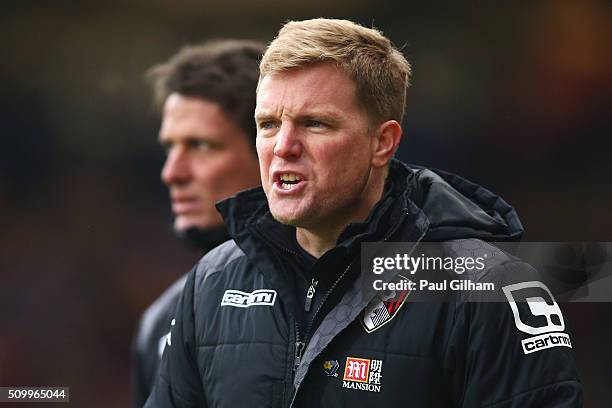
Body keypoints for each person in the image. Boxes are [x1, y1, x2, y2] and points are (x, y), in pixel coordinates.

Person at [145, 19, 582, 407]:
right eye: (268, 124)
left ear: (383, 143)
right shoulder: (212, 283)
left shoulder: (486, 287)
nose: (283, 147)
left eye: (315, 123)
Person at [131, 39, 265, 407]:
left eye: (201, 145)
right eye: (170, 148)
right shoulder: (160, 323)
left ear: (270, 148)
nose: (171, 172)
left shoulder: (369, 291)